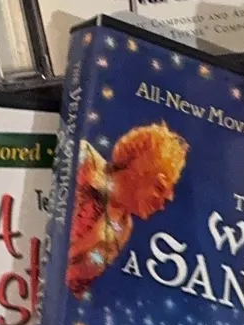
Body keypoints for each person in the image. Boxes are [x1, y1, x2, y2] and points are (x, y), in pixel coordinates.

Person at [66, 121, 188, 292]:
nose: (162, 204)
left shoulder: (123, 228)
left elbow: (79, 272)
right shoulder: (84, 159)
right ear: (138, 168)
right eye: (159, 187)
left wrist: (96, 242)